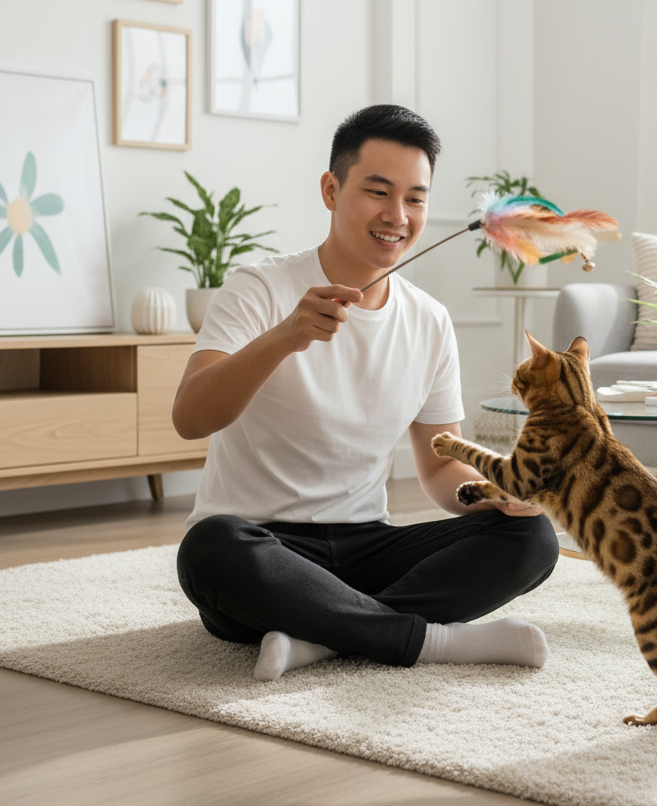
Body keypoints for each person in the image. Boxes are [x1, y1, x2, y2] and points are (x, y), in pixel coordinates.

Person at [174, 104, 559, 681]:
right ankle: (431, 640)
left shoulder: (428, 321)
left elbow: (439, 468)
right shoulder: (258, 289)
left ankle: (323, 637)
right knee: (209, 548)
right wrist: (284, 337)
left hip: (366, 552)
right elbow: (190, 415)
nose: (397, 216)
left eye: (415, 198)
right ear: (331, 190)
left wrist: (493, 492)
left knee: (531, 536)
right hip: (265, 548)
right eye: (378, 192)